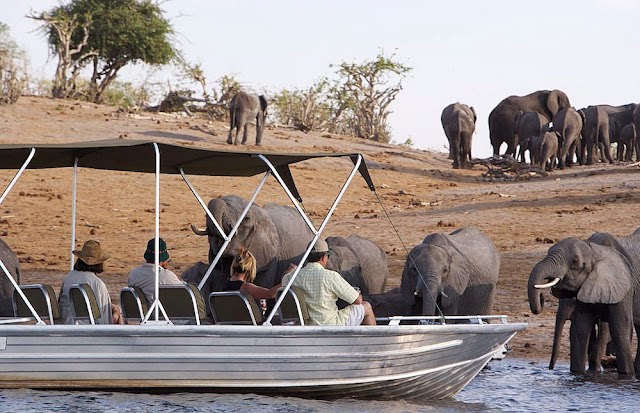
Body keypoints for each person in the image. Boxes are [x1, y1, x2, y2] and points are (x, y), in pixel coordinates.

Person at [281, 238, 376, 326]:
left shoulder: (291, 277)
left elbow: (284, 279)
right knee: (366, 306)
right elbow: (358, 301)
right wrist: (356, 293)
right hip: (331, 325)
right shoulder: (331, 276)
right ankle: (374, 342)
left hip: (305, 325)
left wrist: (290, 271)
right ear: (324, 257)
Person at [58, 239, 124, 325]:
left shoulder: (68, 277)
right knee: (117, 314)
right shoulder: (97, 283)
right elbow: (103, 318)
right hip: (89, 329)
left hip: (65, 324)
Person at [127, 237, 184, 303]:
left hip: (139, 312)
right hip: (159, 312)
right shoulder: (167, 276)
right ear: (163, 260)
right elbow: (184, 293)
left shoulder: (133, 274)